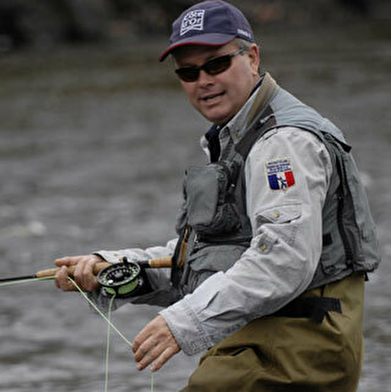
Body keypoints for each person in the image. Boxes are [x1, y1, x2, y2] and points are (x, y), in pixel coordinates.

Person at [55, 1, 381, 391]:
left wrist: (181, 323)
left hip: (299, 348)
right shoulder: (237, 138)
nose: (203, 80)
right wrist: (112, 269)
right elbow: (204, 260)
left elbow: (284, 259)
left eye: (216, 65)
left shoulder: (284, 144)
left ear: (253, 57)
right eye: (189, 72)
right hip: (258, 343)